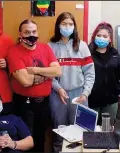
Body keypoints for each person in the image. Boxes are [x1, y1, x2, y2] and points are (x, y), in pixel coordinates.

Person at [6, 19, 61, 152]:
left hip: (43, 104)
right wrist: (47, 74)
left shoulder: (45, 48)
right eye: (27, 32)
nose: (31, 35)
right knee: (25, 141)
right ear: (20, 34)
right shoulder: (14, 51)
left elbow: (58, 71)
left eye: (34, 31)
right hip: (24, 105)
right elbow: (25, 81)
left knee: (40, 140)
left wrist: (35, 70)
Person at [48, 12, 95, 152]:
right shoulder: (49, 46)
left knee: (81, 132)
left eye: (70, 24)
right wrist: (58, 88)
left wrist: (86, 93)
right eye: (64, 24)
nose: (67, 27)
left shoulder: (82, 46)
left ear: (74, 27)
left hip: (79, 94)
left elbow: (90, 73)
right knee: (59, 133)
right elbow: (48, 75)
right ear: (58, 26)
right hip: (58, 95)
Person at [88, 22, 120, 125]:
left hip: (110, 101)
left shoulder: (115, 55)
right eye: (99, 35)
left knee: (107, 131)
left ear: (110, 39)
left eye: (105, 36)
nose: (101, 38)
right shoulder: (88, 54)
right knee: (90, 131)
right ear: (94, 37)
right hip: (91, 99)